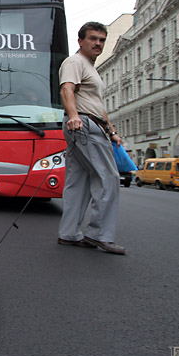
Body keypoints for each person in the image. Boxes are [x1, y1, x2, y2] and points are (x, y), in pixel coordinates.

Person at [57, 21, 126, 255]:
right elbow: (66, 89)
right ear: (80, 41)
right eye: (93, 38)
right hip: (84, 125)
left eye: (102, 40)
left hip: (89, 124)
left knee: (78, 182)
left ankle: (68, 233)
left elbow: (98, 106)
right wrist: (74, 116)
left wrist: (112, 131)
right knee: (109, 178)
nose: (98, 43)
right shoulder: (75, 61)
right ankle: (99, 234)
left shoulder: (90, 67)